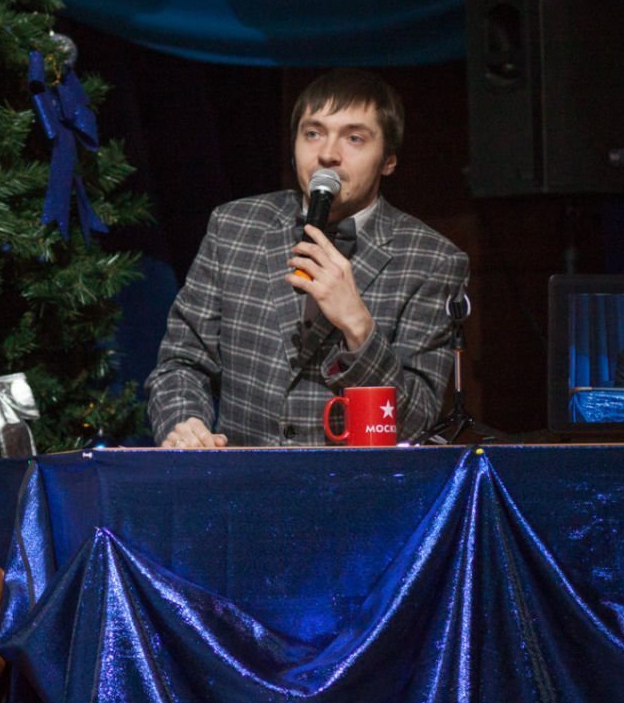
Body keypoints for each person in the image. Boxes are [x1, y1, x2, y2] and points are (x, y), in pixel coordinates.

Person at [146, 69, 470, 448]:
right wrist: (185, 424)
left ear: (388, 160)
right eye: (313, 133)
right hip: (241, 475)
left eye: (354, 138)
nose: (328, 154)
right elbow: (181, 363)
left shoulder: (432, 260)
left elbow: (415, 423)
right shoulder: (234, 226)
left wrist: (359, 328)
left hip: (355, 482)